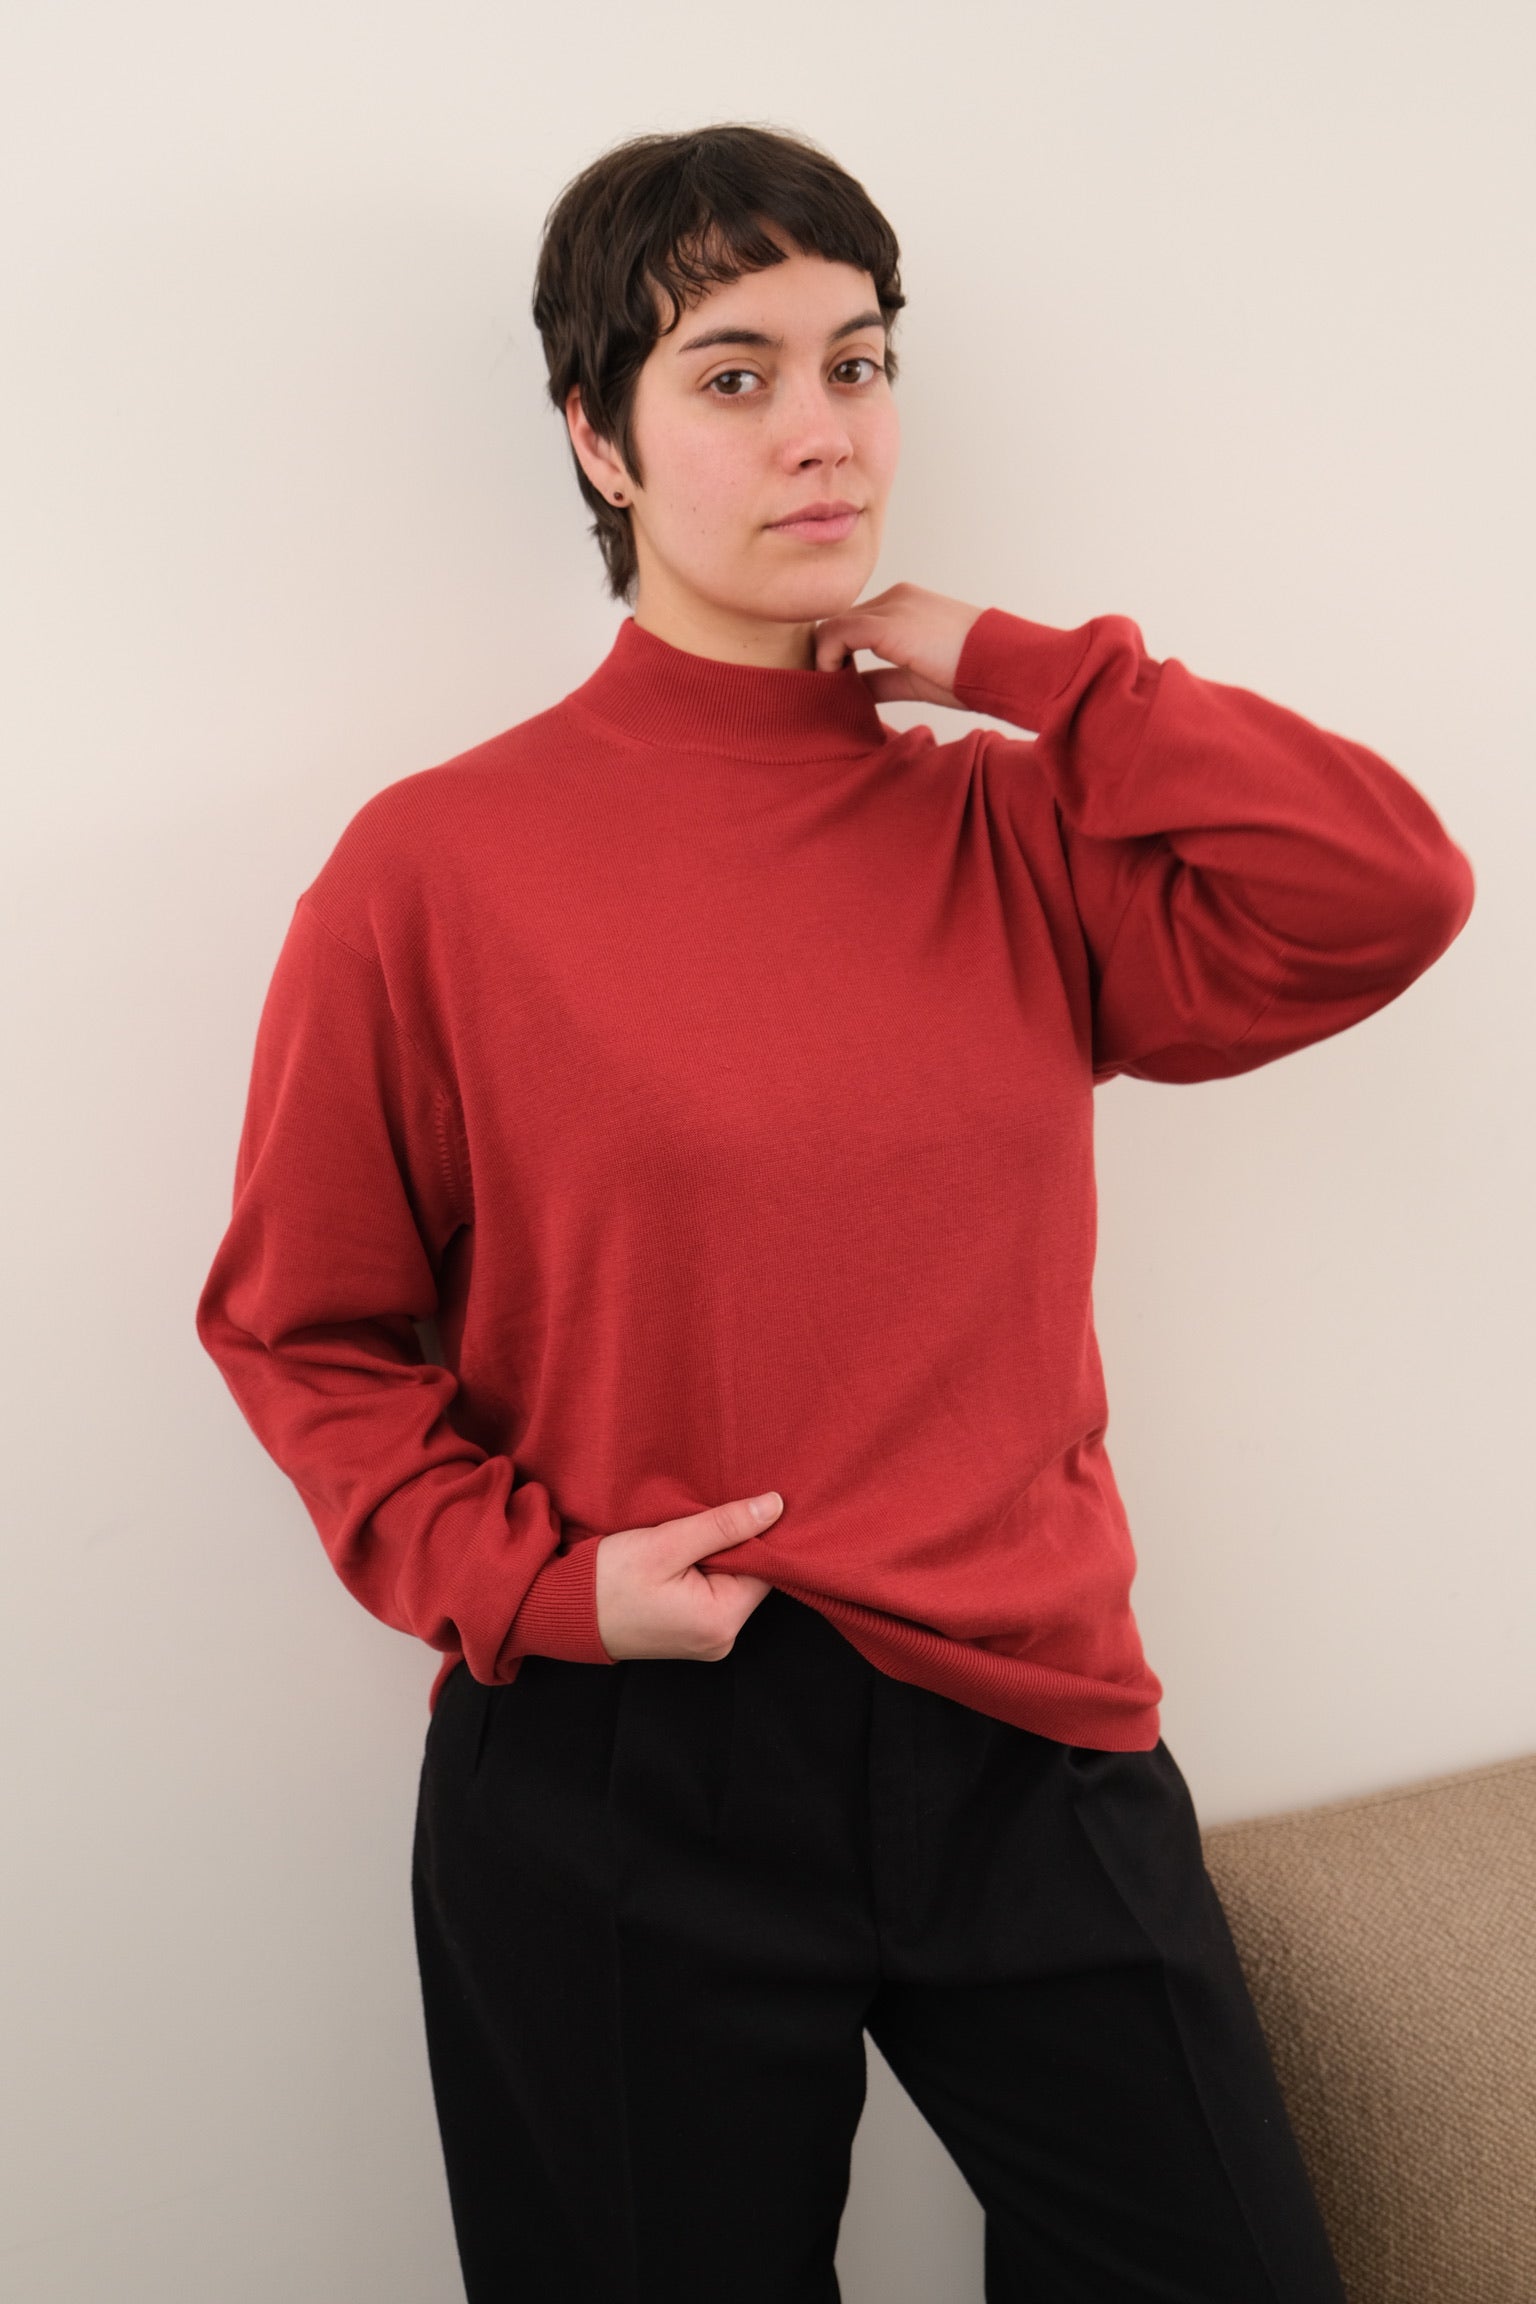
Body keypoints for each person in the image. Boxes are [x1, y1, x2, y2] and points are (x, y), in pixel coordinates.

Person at [195, 122, 1475, 2302]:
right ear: (597, 439)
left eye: (858, 363)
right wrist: (540, 1586)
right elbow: (296, 1324)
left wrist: (1027, 662)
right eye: (734, 374)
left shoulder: (1008, 830)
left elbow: (1384, 889)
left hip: (1030, 1728)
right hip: (629, 1753)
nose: (823, 431)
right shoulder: (436, 871)